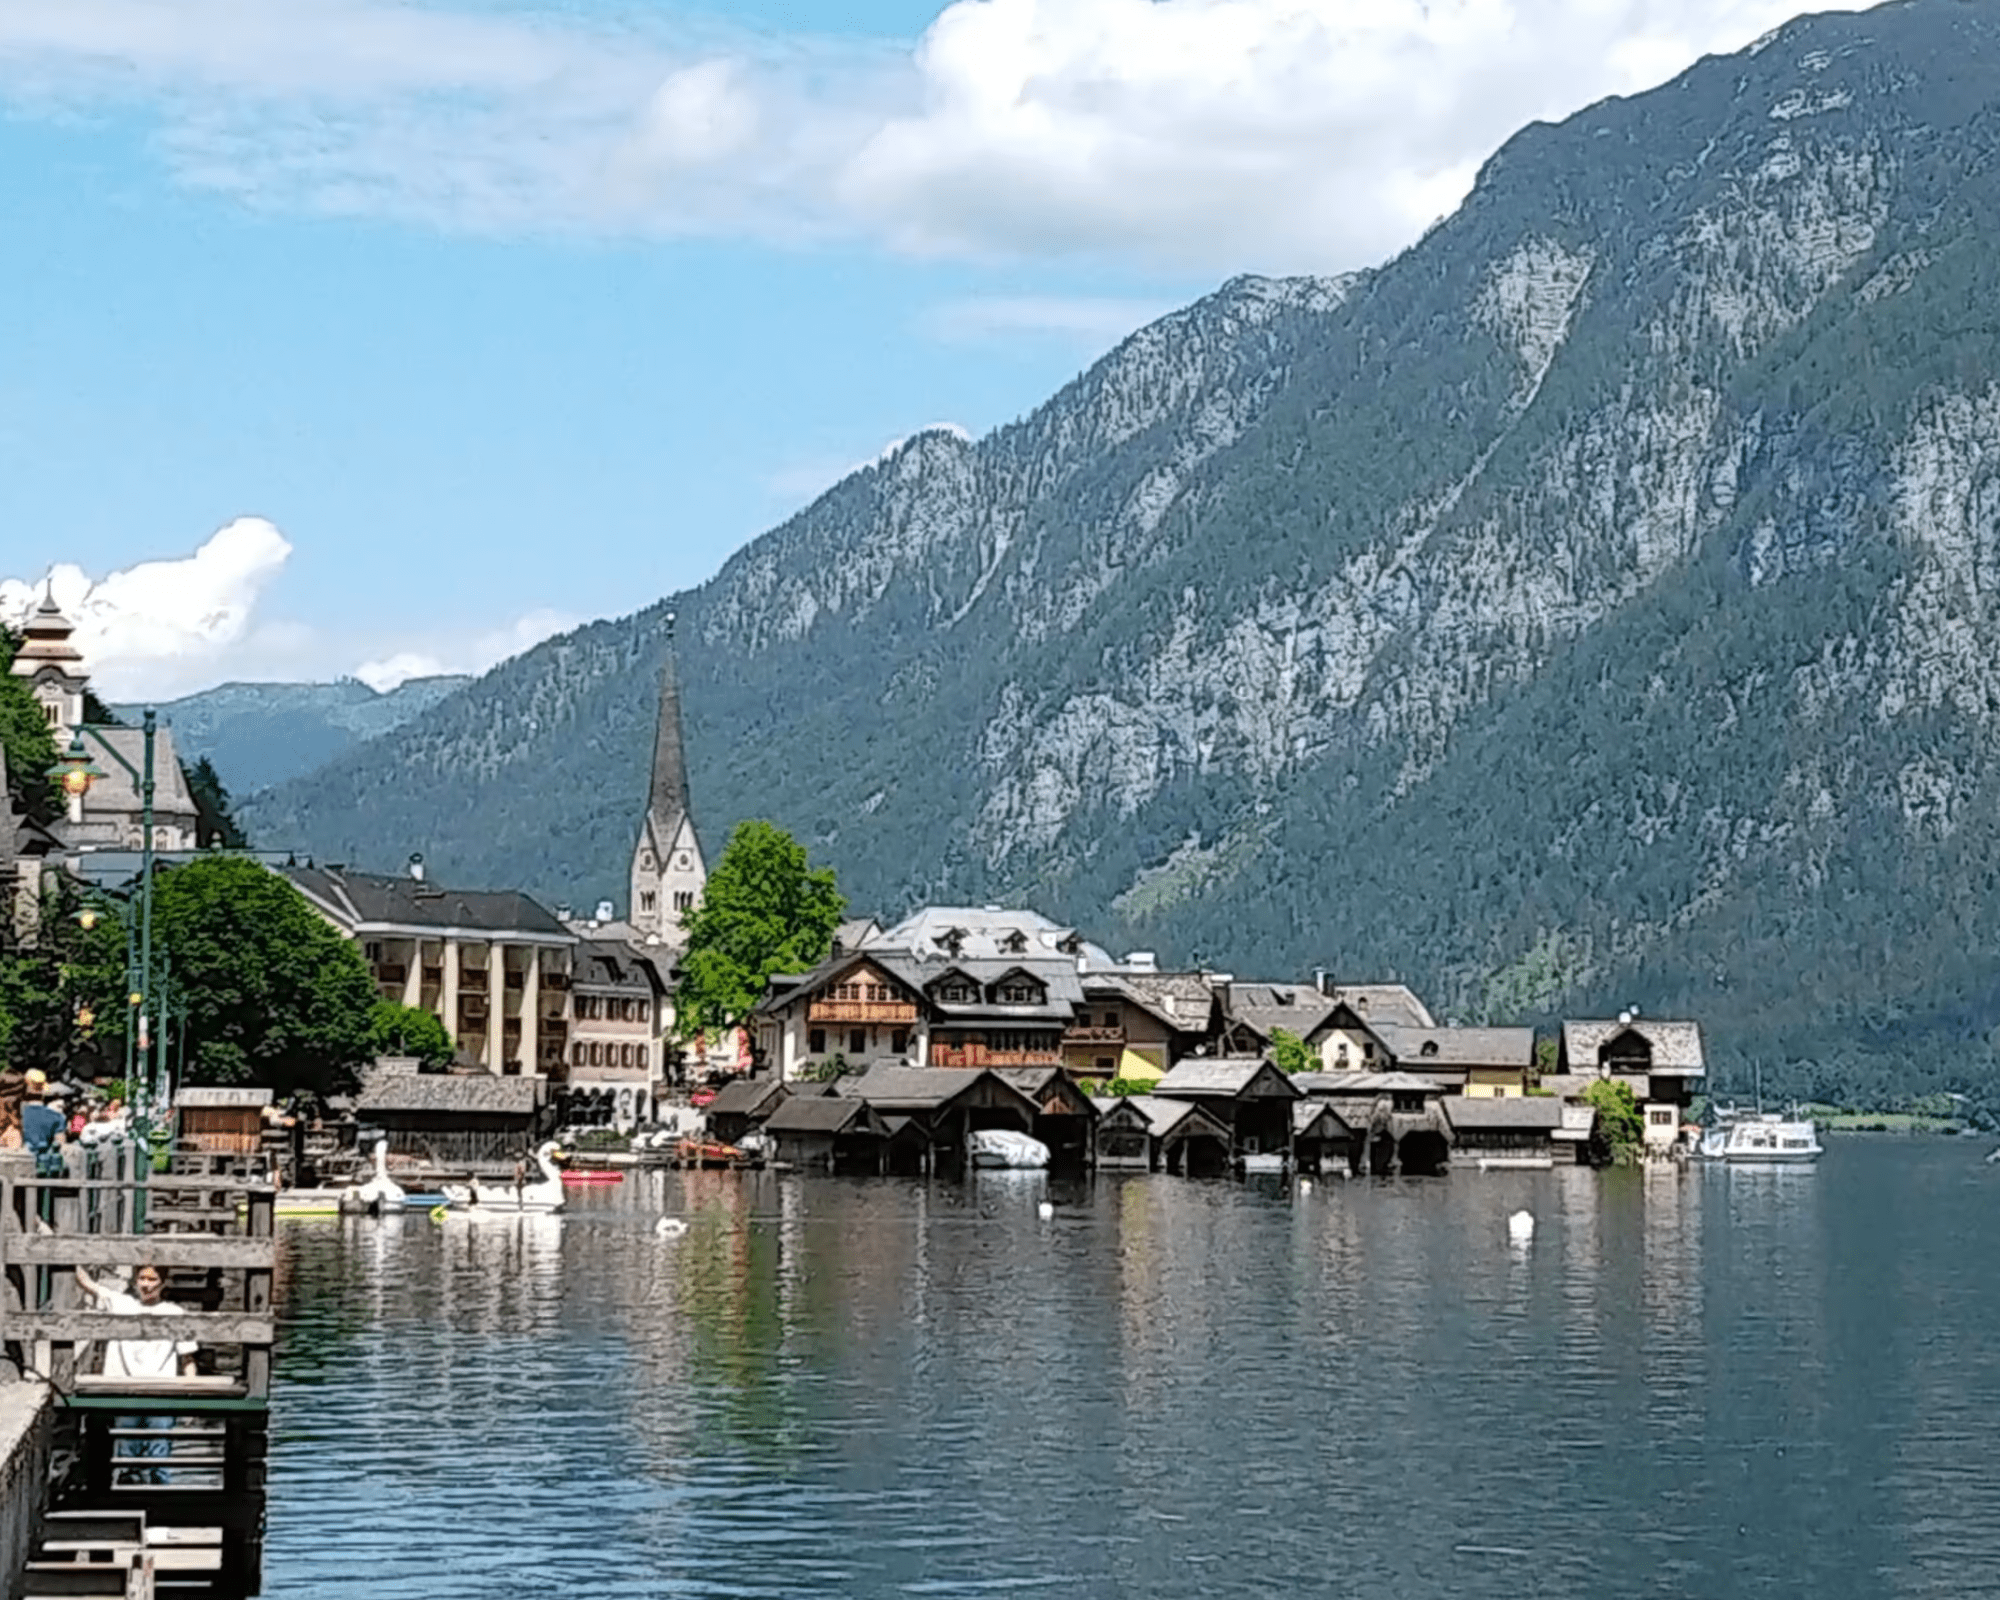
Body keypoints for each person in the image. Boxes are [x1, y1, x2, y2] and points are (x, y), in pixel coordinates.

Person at [74, 1263, 198, 1484]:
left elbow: (187, 1358)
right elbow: (86, 1283)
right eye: (142, 1279)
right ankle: (127, 1496)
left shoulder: (175, 1313)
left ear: (163, 1283)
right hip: (125, 1390)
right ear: (134, 1281)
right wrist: (54, 1242)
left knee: (159, 1455)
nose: (147, 1285)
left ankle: (158, 1501)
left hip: (162, 1392)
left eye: (152, 1280)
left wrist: (190, 1397)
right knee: (126, 1453)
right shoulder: (121, 1303)